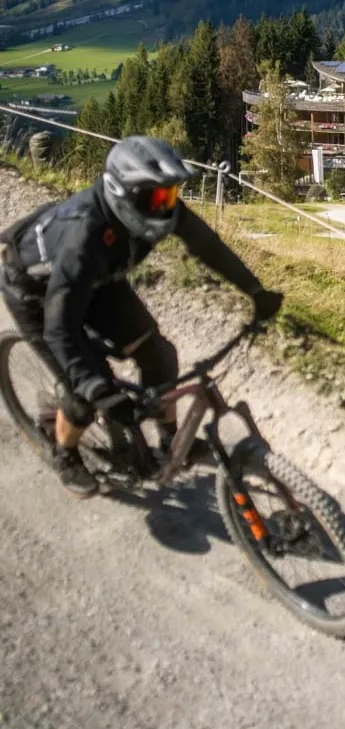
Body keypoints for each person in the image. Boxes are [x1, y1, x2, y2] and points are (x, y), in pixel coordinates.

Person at [0, 135, 283, 498]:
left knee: (159, 356)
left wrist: (255, 291)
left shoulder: (157, 209)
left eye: (172, 194)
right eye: (158, 197)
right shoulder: (83, 239)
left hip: (97, 282)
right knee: (82, 394)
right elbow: (59, 329)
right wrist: (97, 388)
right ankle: (64, 453)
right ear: (124, 194)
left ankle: (169, 443)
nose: (168, 205)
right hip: (36, 294)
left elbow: (207, 245)